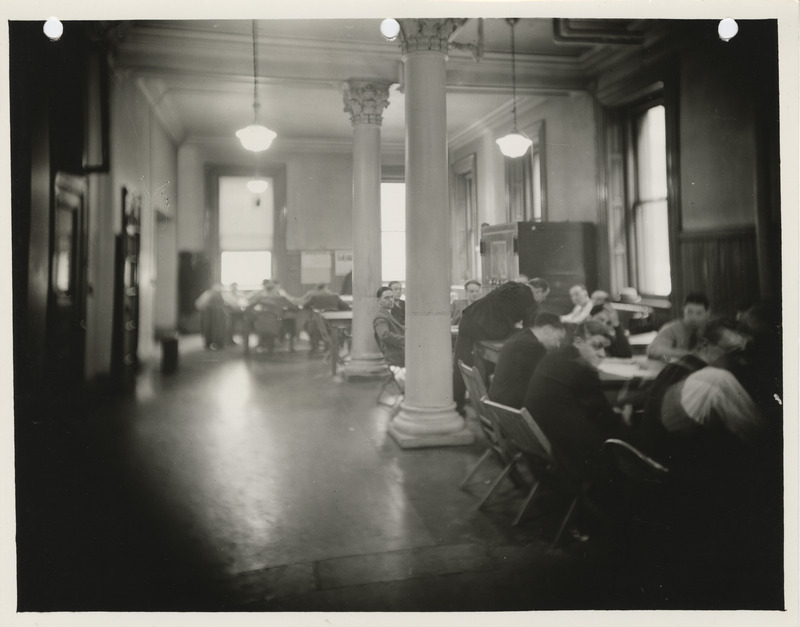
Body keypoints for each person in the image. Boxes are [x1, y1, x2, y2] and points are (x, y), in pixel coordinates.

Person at [523, 320, 626, 487]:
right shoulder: (581, 368)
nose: (602, 354)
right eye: (597, 346)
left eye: (605, 349)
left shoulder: (554, 358)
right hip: (565, 453)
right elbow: (605, 417)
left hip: (540, 444)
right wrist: (623, 416)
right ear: (578, 342)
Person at [452, 279, 538, 414]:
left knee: (460, 362)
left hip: (469, 318)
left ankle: (457, 405)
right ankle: (490, 403)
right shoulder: (530, 301)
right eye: (544, 296)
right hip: (482, 327)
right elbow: (529, 330)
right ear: (538, 291)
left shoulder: (512, 285)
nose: (542, 300)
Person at [488, 312, 565, 409]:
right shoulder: (535, 347)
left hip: (497, 403)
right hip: (511, 410)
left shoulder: (519, 338)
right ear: (548, 329)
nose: (558, 345)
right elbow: (541, 385)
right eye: (559, 339)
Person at [647, 292, 711, 362]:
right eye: (689, 312)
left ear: (708, 313)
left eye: (699, 313)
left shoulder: (714, 330)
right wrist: (690, 355)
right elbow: (654, 350)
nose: (693, 317)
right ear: (683, 311)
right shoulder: (672, 329)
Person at [301, 284, 351, 353]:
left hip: (318, 326)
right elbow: (347, 308)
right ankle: (340, 349)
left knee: (309, 324)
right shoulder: (334, 296)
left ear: (316, 289)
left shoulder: (313, 297)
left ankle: (315, 347)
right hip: (334, 326)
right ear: (326, 288)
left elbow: (304, 306)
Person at [373, 286, 405, 367]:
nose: (390, 300)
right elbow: (385, 335)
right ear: (379, 300)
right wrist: (405, 340)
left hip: (397, 356)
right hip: (393, 358)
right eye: (386, 298)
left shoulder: (389, 314)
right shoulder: (381, 317)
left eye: (392, 297)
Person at [195, 282, 228, 350]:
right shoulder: (207, 294)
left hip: (219, 316)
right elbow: (199, 304)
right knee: (208, 328)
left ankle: (219, 343)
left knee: (219, 328)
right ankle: (209, 343)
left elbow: (228, 303)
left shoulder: (223, 294)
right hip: (209, 316)